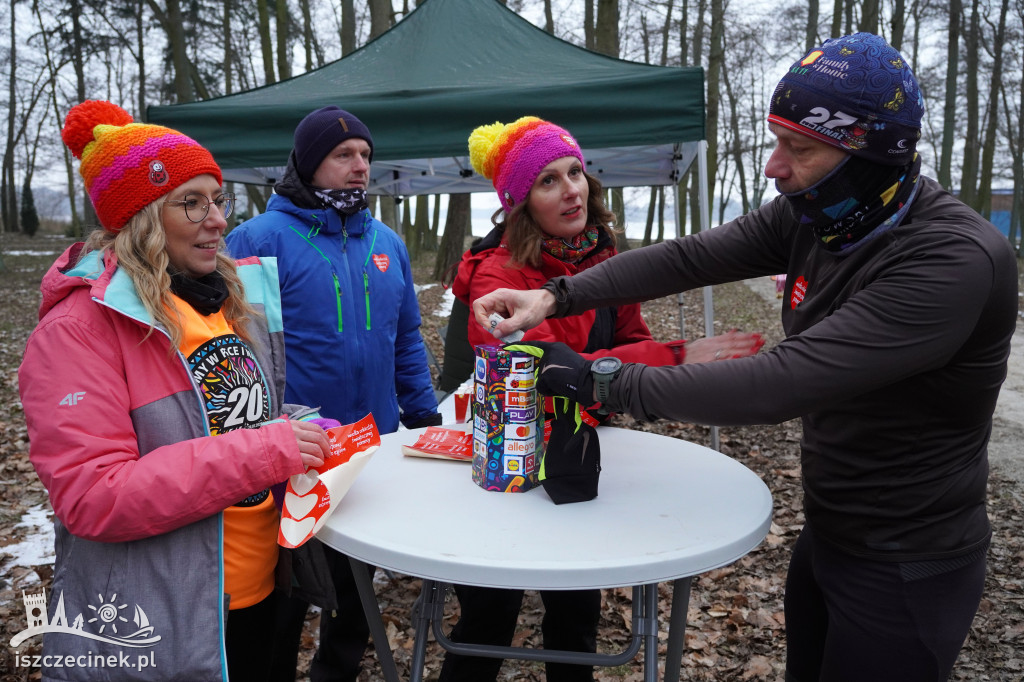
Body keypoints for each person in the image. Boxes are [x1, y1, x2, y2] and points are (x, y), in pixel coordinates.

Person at [474, 34, 1018, 682]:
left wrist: (601, 378)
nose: (772, 167)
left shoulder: (951, 260)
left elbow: (780, 384)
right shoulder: (822, 216)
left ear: (871, 159)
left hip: (908, 561)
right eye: (775, 139)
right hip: (829, 533)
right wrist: (556, 294)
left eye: (801, 149)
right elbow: (690, 258)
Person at [18, 100, 336, 681]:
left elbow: (223, 417)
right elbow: (94, 496)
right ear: (139, 219)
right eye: (191, 202)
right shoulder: (77, 332)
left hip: (263, 590)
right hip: (164, 619)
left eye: (219, 199)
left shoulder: (225, 298)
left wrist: (302, 429)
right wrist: (267, 450)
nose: (217, 219)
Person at [438, 116, 764, 682]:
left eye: (575, 172)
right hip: (511, 463)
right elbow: (543, 374)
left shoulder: (604, 255)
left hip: (582, 451)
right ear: (519, 203)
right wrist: (676, 357)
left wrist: (647, 360)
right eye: (548, 181)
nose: (571, 189)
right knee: (488, 619)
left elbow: (628, 339)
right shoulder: (499, 276)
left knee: (576, 615)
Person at [225, 105, 442, 682]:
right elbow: (241, 351)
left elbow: (406, 339)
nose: (359, 166)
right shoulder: (256, 239)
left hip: (372, 447)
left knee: (355, 587)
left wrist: (421, 415)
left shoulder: (387, 243)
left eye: (366, 155)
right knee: (287, 591)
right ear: (308, 162)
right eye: (343, 155)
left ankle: (335, 673)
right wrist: (259, 436)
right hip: (291, 452)